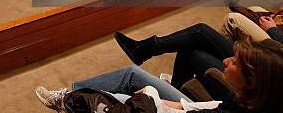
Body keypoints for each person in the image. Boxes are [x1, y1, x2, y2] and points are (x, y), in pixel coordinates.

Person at [36, 38, 282, 112]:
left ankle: (70, 100)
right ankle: (71, 96)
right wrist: (175, 103)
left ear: (252, 80)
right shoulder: (250, 102)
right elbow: (214, 105)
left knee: (122, 97)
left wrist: (152, 98)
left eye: (235, 63)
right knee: (133, 75)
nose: (226, 61)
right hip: (189, 108)